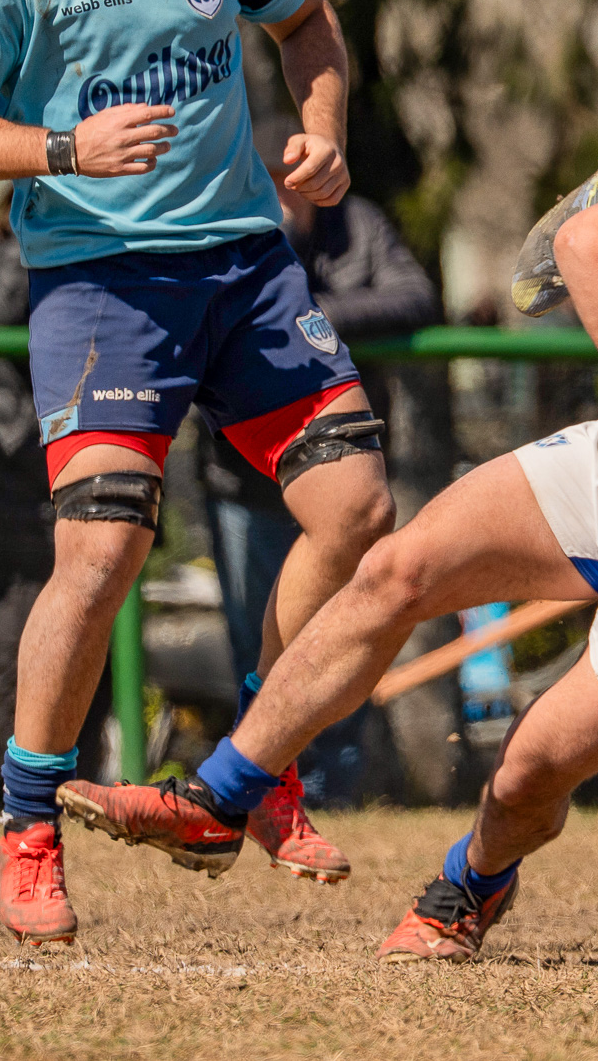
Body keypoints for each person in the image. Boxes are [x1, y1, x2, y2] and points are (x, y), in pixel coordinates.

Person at [52, 162, 598, 964]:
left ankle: (470, 884)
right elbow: (583, 244)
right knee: (395, 572)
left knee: (528, 770)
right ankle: (219, 801)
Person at [0, 0, 398, 944]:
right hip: (100, 282)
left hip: (246, 266)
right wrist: (64, 149)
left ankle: (255, 769)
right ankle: (30, 827)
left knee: (357, 507)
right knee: (102, 551)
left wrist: (323, 129)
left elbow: (304, 20)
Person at [200, 117, 440, 808]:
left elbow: (412, 294)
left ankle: (331, 785)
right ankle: (254, 785)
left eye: (291, 182)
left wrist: (304, 314)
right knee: (260, 643)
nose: (281, 198)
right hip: (244, 481)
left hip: (335, 477)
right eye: (268, 183)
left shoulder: (357, 226)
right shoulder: (224, 229)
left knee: (343, 634)